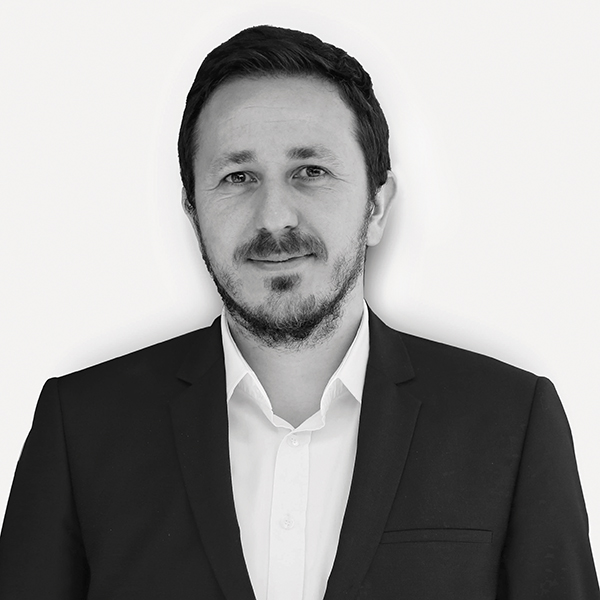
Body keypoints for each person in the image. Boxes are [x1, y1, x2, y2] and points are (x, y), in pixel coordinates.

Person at [0, 24, 598, 600]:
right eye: (238, 176)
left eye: (311, 172)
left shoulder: (511, 422)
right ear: (193, 212)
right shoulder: (80, 428)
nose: (274, 217)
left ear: (377, 206)